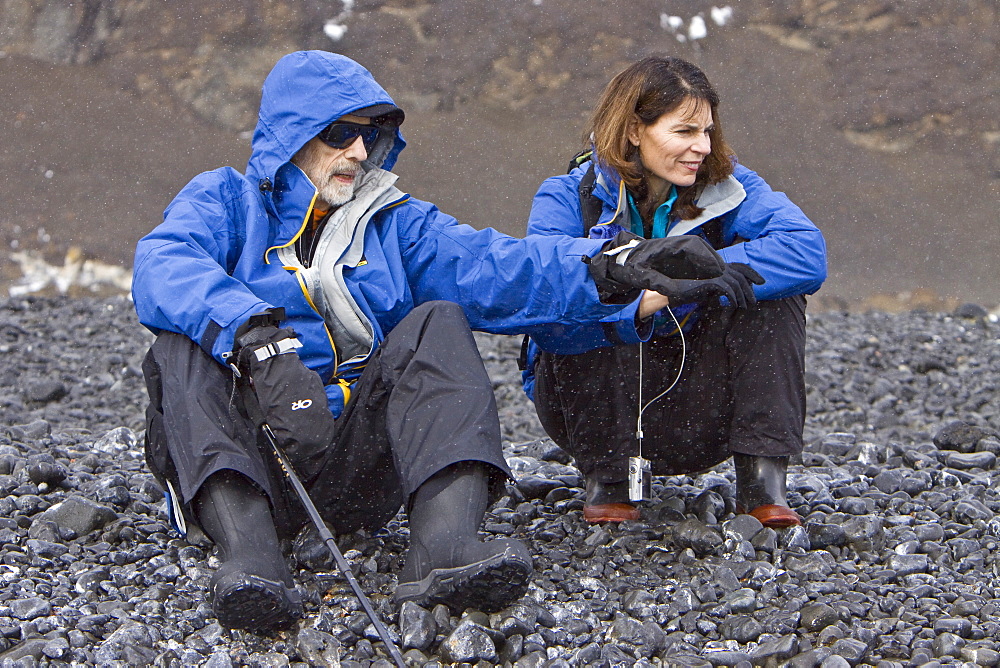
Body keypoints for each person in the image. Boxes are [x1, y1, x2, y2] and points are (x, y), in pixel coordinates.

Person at [131, 50, 725, 633]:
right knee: (176, 349)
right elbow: (162, 264)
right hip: (250, 455)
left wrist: (613, 266)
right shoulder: (224, 201)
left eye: (370, 135)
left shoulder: (394, 221)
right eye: (340, 133)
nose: (358, 152)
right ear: (293, 135)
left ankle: (445, 544)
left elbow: (495, 266)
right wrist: (258, 338)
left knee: (438, 321)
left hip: (350, 469)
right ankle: (249, 555)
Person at [521, 56, 827, 528]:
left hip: (700, 409)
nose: (702, 147)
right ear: (633, 131)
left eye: (706, 131)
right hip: (586, 410)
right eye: (685, 132)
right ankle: (609, 480)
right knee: (584, 293)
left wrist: (703, 274)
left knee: (771, 294)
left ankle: (764, 485)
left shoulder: (732, 188)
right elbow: (546, 282)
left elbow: (807, 252)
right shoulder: (565, 196)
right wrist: (650, 277)